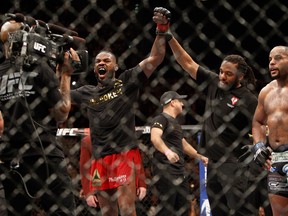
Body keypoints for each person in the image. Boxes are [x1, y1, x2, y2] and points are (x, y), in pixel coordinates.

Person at [70, 7, 169, 216]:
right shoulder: (87, 92)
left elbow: (156, 57)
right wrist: (64, 71)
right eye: (98, 61)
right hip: (99, 158)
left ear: (115, 66)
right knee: (107, 213)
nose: (102, 63)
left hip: (124, 154)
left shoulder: (126, 81)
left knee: (126, 208)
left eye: (106, 60)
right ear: (95, 68)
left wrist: (161, 30)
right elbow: (61, 97)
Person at [166, 32, 259, 214]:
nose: (222, 76)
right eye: (221, 71)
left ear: (240, 76)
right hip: (213, 163)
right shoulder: (214, 83)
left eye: (228, 74)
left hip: (235, 164)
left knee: (241, 210)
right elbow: (187, 63)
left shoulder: (249, 99)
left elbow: (260, 126)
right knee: (217, 210)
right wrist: (168, 36)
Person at [0, 19, 80, 215]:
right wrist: (66, 75)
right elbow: (62, 113)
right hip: (44, 153)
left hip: (12, 158)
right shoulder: (38, 66)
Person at [150, 91, 208, 216]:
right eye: (180, 101)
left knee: (182, 209)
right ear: (172, 103)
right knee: (166, 209)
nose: (182, 103)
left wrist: (199, 156)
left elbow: (184, 144)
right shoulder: (161, 118)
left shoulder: (175, 123)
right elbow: (155, 137)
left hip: (179, 172)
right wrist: (167, 151)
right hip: (166, 170)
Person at [251, 45, 288, 216]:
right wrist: (258, 145)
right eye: (270, 60)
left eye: (278, 58)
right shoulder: (266, 92)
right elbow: (258, 122)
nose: (272, 63)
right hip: (276, 159)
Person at [78, 128, 147, 207]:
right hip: (102, 176)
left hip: (123, 173)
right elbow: (84, 168)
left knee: (127, 208)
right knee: (108, 212)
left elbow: (135, 157)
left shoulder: (125, 137)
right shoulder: (88, 141)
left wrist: (142, 183)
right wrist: (88, 192)